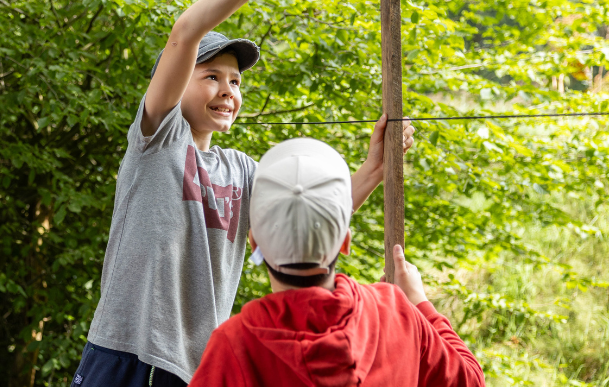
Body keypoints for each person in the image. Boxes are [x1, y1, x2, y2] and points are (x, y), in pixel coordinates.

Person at [70, 0, 416, 387]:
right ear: (173, 83)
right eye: (211, 76)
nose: (227, 91)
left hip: (197, 368)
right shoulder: (157, 139)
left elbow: (306, 218)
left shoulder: (242, 170)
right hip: (126, 355)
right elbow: (186, 33)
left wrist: (374, 169)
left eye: (235, 82)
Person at [190, 138, 485, 387]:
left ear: (255, 244)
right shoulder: (394, 311)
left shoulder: (236, 344)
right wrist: (418, 301)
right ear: (345, 242)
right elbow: (470, 380)